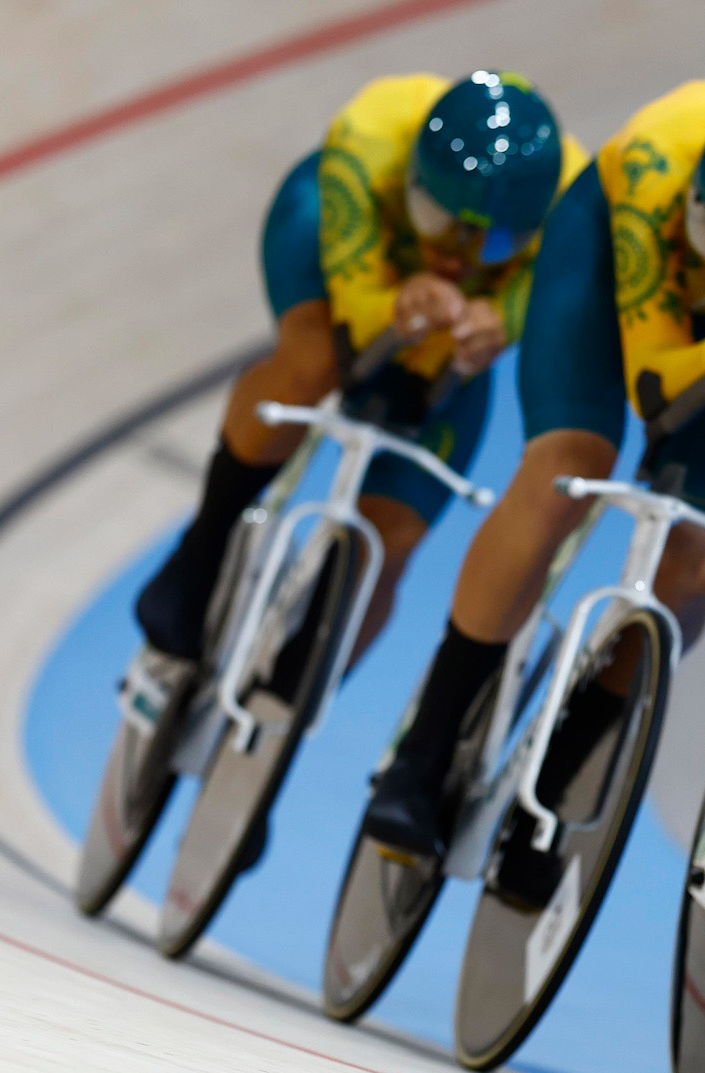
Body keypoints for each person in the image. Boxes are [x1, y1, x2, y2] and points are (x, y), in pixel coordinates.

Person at [360, 82, 705, 900]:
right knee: (567, 468)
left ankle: (561, 781)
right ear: (694, 202)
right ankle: (423, 753)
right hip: (609, 274)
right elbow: (651, 383)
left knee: (695, 569)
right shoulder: (651, 169)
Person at [130, 70, 586, 701]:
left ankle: (291, 706)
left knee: (391, 542)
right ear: (413, 179)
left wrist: (501, 319)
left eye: (495, 241)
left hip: (444, 335)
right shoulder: (374, 128)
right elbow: (355, 308)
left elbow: (543, 300)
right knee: (315, 357)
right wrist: (397, 304)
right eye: (440, 218)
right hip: (337, 247)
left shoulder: (571, 202)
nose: (458, 253)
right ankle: (201, 549)